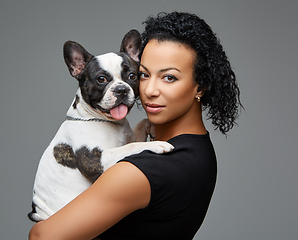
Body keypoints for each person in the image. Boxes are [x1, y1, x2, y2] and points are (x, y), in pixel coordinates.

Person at [29, 11, 241, 240]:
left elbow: (42, 236)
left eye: (169, 77)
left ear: (200, 86)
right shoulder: (199, 153)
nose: (149, 90)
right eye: (143, 75)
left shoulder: (140, 171)